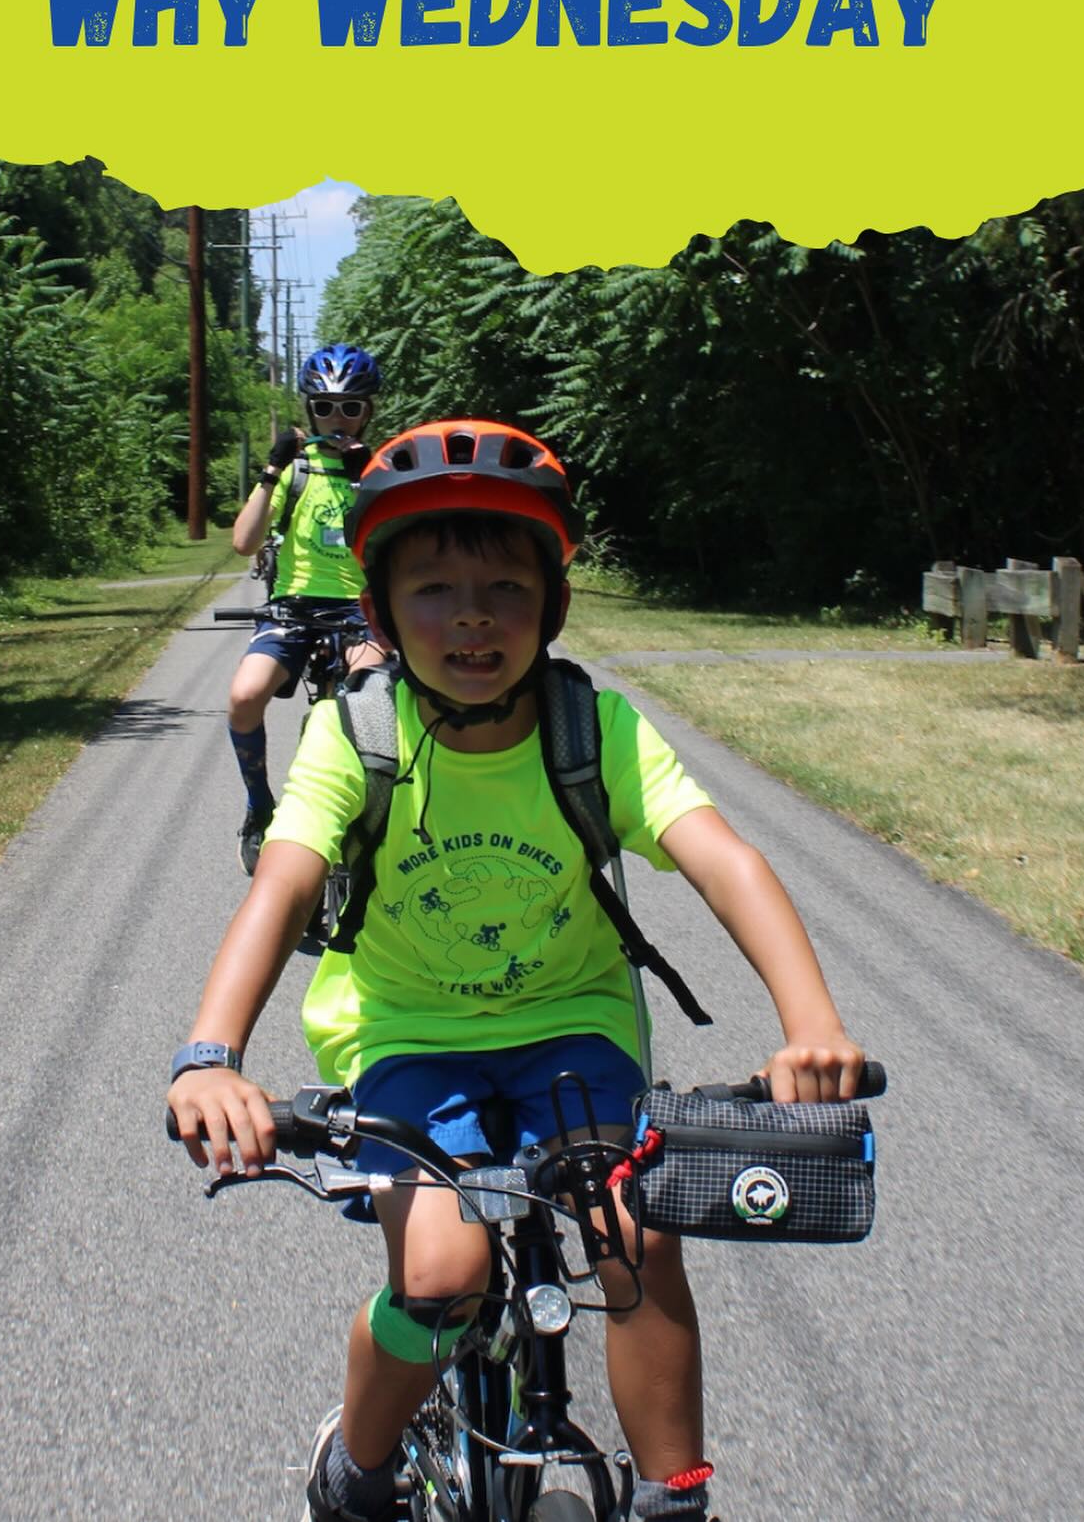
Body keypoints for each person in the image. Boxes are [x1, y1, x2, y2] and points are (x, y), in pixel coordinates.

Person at [170, 419, 865, 1522]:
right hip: (407, 1031)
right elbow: (285, 886)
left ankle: (676, 1499)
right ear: (380, 612)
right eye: (435, 587)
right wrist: (212, 1056)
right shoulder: (358, 735)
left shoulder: (594, 729)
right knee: (440, 1278)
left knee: (634, 1233)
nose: (474, 614)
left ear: (554, 603)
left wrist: (810, 1021)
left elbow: (726, 861)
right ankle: (357, 1464)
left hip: (571, 1025)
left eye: (505, 582)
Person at [227, 343, 387, 876]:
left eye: (350, 407)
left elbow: (399, 544)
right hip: (293, 608)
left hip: (361, 611)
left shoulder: (383, 466)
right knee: (245, 695)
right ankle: (259, 808)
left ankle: (371, 814)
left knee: (368, 708)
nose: (337, 419)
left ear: (368, 410)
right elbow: (244, 543)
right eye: (324, 408)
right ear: (308, 410)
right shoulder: (295, 469)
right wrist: (272, 469)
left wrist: (372, 481)